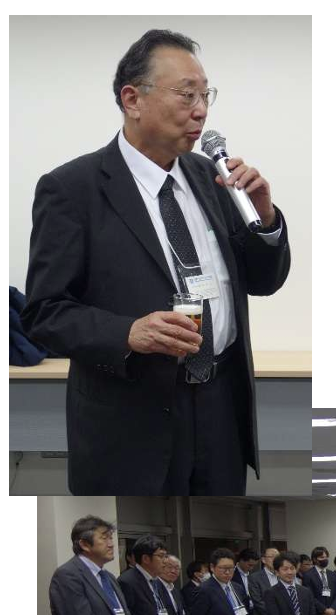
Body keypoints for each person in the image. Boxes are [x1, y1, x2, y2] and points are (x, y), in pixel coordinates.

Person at [20, 30, 292, 495]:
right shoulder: (72, 189)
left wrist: (264, 220)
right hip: (131, 419)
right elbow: (44, 313)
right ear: (133, 99)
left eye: (206, 95)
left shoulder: (211, 177)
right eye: (187, 95)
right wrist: (127, 332)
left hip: (220, 407)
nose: (201, 111)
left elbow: (264, 281)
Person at [302, 546, 336, 615]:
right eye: (322, 557)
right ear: (314, 559)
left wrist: (332, 609)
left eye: (326, 557)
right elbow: (310, 596)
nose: (325, 559)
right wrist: (324, 610)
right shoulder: (308, 575)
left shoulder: (332, 574)